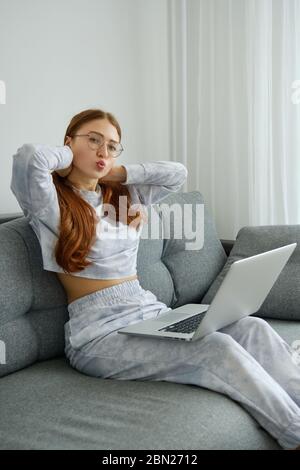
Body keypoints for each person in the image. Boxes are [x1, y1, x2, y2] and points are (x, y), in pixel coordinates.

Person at [10, 108, 300, 450]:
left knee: (252, 327)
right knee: (217, 348)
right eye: (93, 140)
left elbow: (177, 174)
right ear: (69, 141)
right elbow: (29, 158)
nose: (103, 151)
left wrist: (115, 172)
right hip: (99, 333)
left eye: (113, 145)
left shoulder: (121, 196)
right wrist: (70, 156)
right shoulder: (50, 204)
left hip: (151, 312)